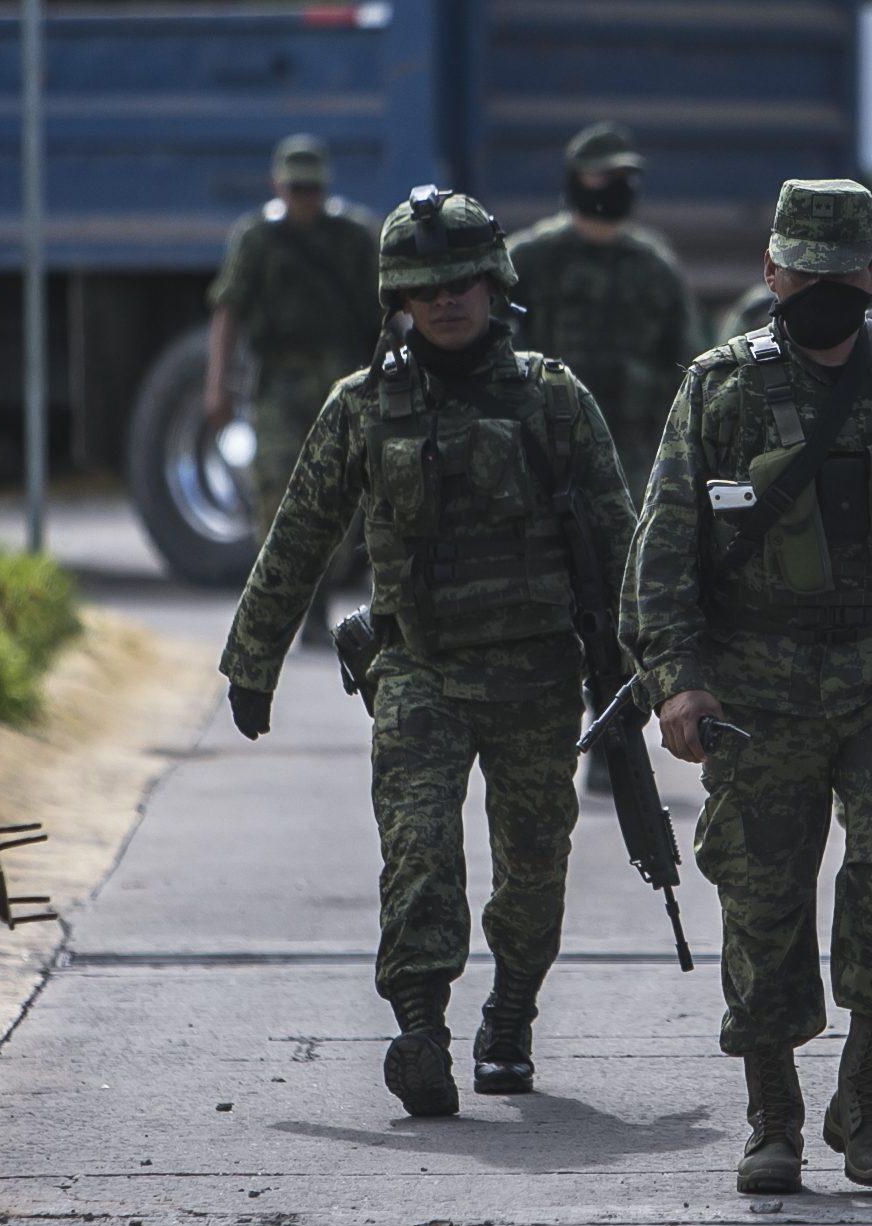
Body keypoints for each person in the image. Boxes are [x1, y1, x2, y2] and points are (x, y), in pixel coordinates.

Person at [621, 179, 872, 1193]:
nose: (823, 292)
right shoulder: (718, 389)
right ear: (771, 274)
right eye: (803, 274)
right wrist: (677, 683)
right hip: (758, 679)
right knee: (761, 897)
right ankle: (772, 1115)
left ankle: (867, 1096)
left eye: (844, 275)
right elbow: (661, 553)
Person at [218, 187, 638, 1118]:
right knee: (418, 852)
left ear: (495, 285)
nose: (447, 301)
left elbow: (622, 544)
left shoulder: (555, 401)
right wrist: (253, 660)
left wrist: (652, 670)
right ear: (396, 302)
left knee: (534, 864)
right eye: (424, 287)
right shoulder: (363, 407)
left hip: (537, 676)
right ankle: (419, 1028)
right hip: (418, 670)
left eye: (462, 283)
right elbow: (298, 537)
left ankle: (512, 1016)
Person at [205, 134, 378, 644]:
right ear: (278, 185)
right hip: (279, 385)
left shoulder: (352, 237)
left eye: (312, 188)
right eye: (296, 188)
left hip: (340, 383)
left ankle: (320, 606)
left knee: (338, 501)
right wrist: (218, 387)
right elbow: (228, 310)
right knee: (277, 497)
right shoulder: (257, 238)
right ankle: (280, 612)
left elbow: (386, 312)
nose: (304, 198)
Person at [506, 121, 703, 496]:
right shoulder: (530, 259)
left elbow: (686, 364)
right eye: (604, 175)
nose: (618, 186)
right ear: (576, 180)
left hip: (633, 458)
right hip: (543, 449)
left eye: (626, 176)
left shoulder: (655, 266)